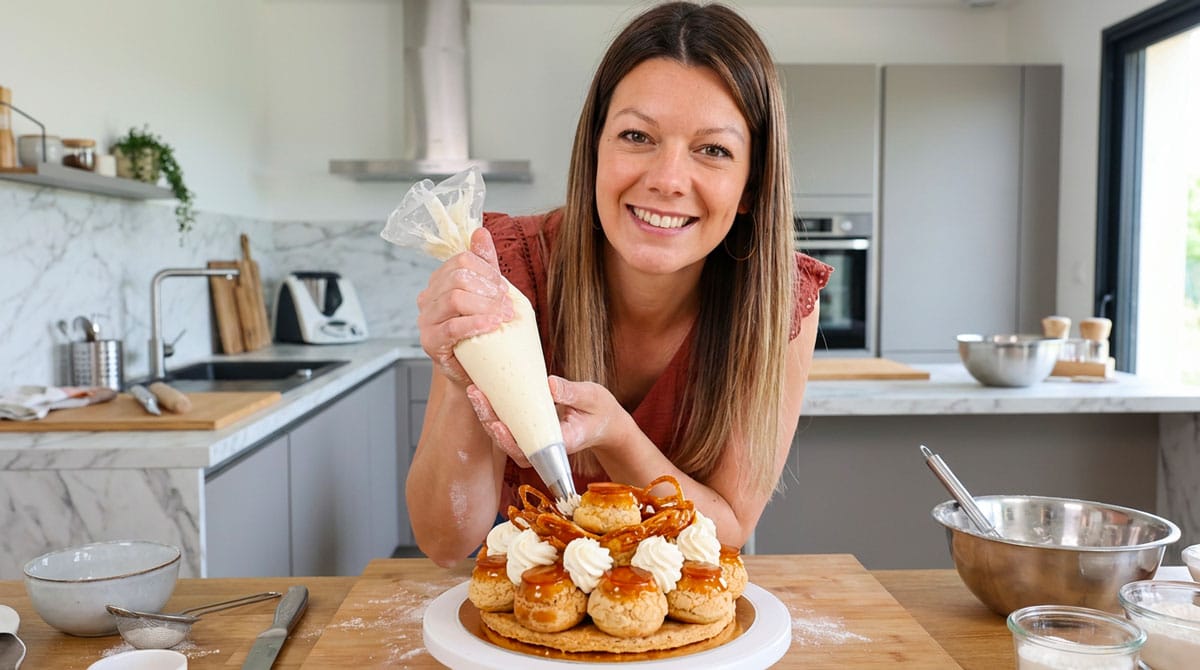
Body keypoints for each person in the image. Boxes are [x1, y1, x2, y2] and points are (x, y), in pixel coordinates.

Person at [407, 1, 831, 567]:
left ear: (751, 185)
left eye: (713, 150)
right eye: (637, 136)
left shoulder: (780, 305)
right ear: (595, 151)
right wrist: (460, 382)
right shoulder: (506, 275)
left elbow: (724, 535)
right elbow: (444, 544)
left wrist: (615, 434)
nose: (667, 180)